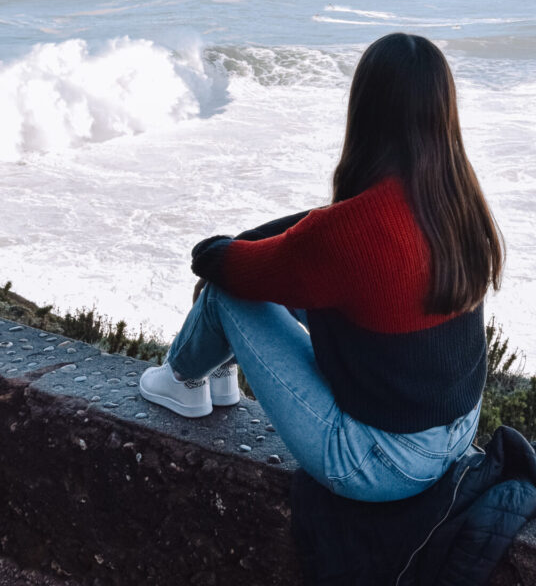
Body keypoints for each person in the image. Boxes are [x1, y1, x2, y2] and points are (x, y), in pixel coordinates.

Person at [139, 32, 504, 503]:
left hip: (379, 462)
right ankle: (222, 376)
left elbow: (230, 267)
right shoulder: (457, 203)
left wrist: (214, 248)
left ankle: (184, 380)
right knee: (293, 277)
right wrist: (257, 241)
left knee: (227, 294)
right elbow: (305, 242)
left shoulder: (350, 233)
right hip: (457, 431)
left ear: (365, 109)